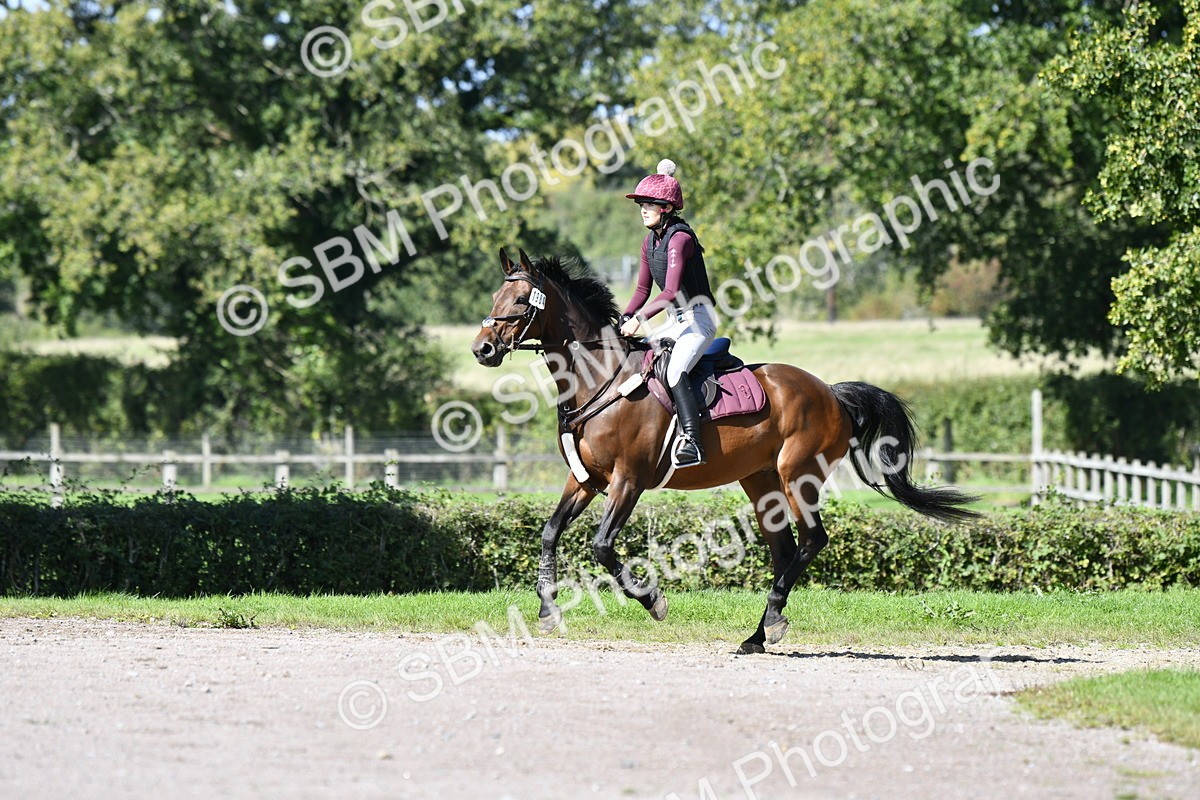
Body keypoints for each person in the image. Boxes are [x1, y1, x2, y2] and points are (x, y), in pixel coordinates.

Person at [619, 159, 718, 468]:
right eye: (641, 204)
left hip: (699, 321)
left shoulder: (680, 239)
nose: (643, 210)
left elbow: (671, 291)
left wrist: (640, 320)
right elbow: (641, 290)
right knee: (637, 358)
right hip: (674, 322)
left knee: (675, 372)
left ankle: (692, 440)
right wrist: (624, 316)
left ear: (666, 207)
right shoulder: (649, 242)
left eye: (649, 204)